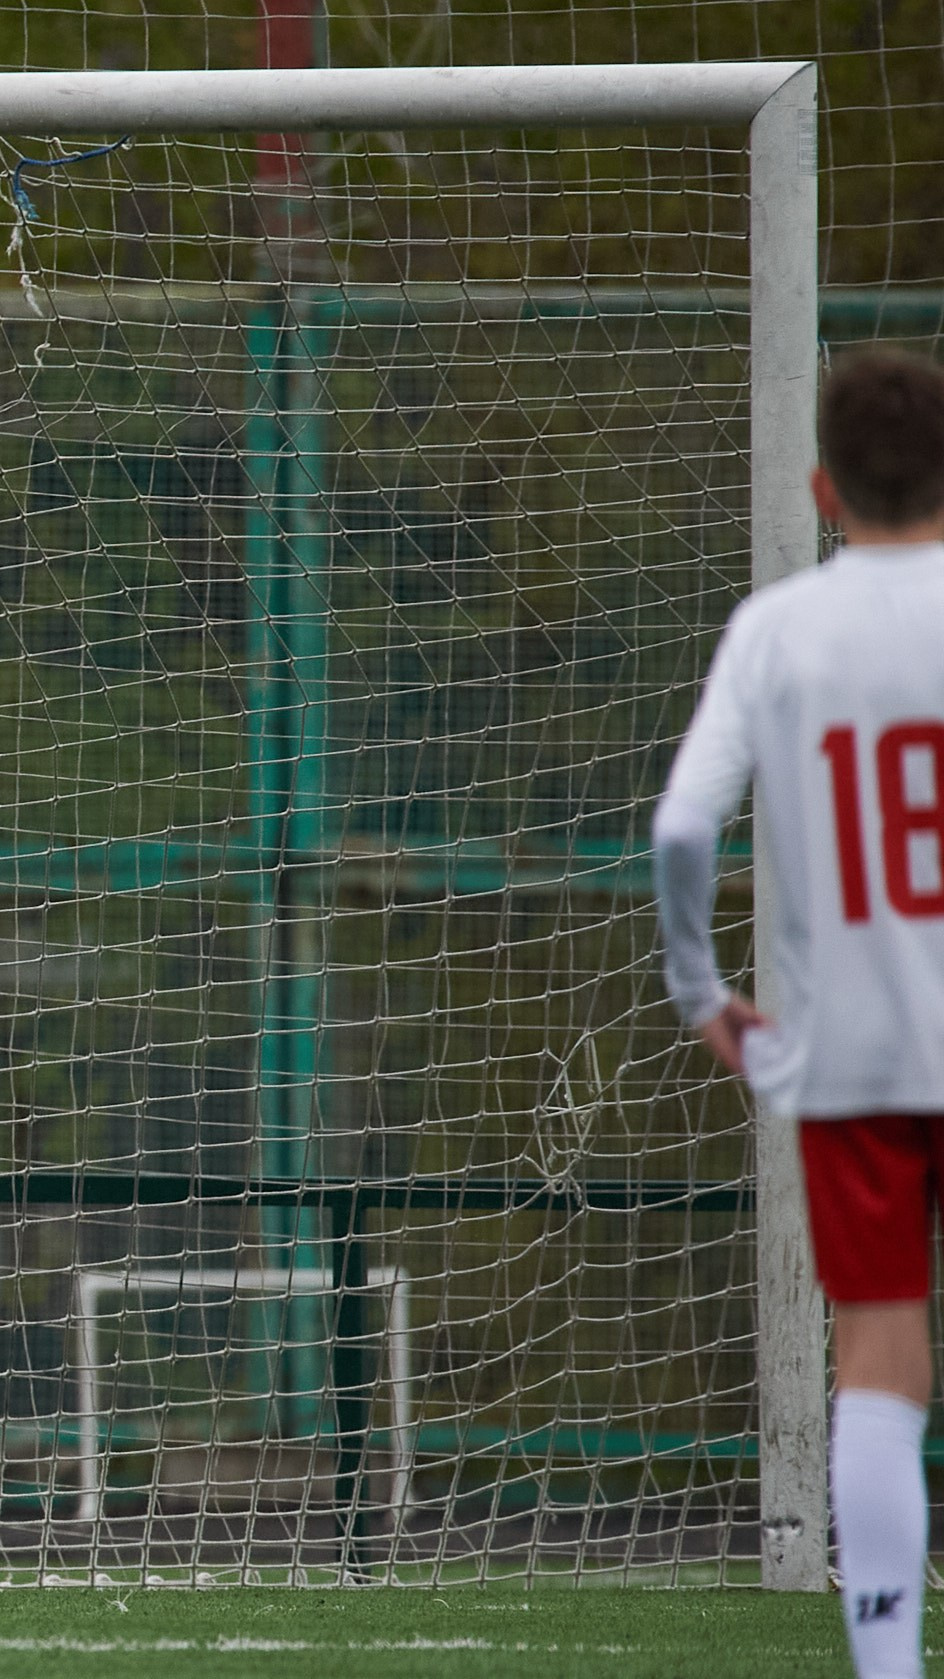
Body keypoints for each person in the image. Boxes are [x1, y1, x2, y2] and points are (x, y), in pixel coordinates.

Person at [655, 346, 944, 1679]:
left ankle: (885, 1667)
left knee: (878, 1352)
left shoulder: (777, 630)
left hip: (852, 1054)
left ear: (825, 489)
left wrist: (701, 992)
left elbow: (681, 826)